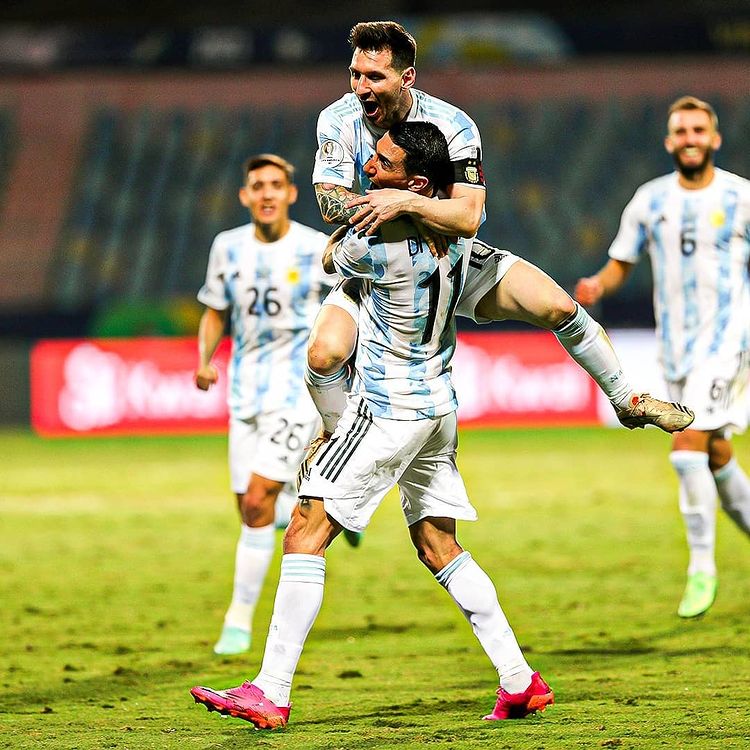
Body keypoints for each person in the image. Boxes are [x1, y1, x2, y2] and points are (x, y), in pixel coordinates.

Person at [190, 121, 554, 728]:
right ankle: (519, 680)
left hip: (387, 409)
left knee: (303, 530)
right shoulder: (462, 245)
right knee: (438, 545)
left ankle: (270, 691)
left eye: (382, 164)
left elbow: (332, 259)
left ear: (415, 184)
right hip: (438, 408)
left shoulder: (374, 247)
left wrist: (358, 226)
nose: (367, 169)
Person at [304, 20, 695, 444]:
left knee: (558, 307)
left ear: (407, 77)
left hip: (450, 258)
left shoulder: (452, 124)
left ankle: (627, 400)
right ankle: (334, 438)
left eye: (375, 77)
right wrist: (415, 216)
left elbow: (468, 216)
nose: (361, 88)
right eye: (355, 74)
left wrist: (406, 205)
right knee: (324, 354)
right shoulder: (338, 119)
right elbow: (330, 202)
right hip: (383, 261)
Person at [575, 96, 750, 618]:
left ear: (715, 138)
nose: (690, 138)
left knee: (686, 440)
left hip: (729, 342)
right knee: (715, 454)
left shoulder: (742, 197)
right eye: (682, 131)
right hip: (675, 347)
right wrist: (597, 285)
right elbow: (621, 262)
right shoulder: (650, 200)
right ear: (670, 141)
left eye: (699, 129)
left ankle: (701, 568)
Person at [194, 153, 340, 655]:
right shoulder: (227, 247)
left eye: (276, 184)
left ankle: (237, 620)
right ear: (245, 195)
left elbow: (349, 305)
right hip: (246, 393)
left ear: (291, 194)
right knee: (248, 506)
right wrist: (204, 359)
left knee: (256, 502)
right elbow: (215, 310)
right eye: (258, 186)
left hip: (297, 392)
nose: (267, 193)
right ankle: (315, 498)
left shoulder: (316, 248)